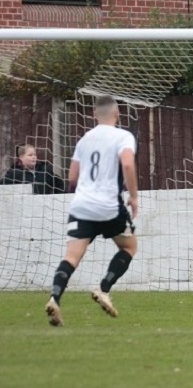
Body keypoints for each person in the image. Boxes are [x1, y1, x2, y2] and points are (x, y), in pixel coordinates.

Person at [45, 95, 139, 327]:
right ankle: (103, 288)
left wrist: (83, 194)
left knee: (71, 257)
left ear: (94, 115)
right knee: (129, 247)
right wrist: (134, 197)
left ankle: (54, 298)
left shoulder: (84, 140)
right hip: (108, 206)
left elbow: (72, 178)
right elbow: (127, 164)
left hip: (81, 206)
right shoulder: (123, 136)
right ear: (117, 114)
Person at [1, 144, 67, 194]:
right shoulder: (14, 173)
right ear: (21, 157)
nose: (33, 157)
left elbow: (60, 185)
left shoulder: (45, 170)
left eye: (34, 155)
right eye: (30, 155)